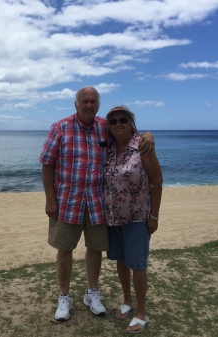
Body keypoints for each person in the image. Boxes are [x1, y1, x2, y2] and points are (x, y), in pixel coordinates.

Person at [39, 87, 155, 322]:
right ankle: (64, 296)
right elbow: (47, 164)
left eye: (93, 101)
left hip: (97, 202)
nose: (89, 105)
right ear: (76, 104)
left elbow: (129, 136)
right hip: (66, 202)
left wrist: (148, 135)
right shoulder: (60, 128)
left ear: (98, 105)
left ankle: (92, 293)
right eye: (85, 101)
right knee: (65, 250)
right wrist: (50, 200)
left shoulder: (105, 127)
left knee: (95, 249)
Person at [104, 105, 163, 333]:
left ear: (131, 123)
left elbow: (157, 182)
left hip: (138, 217)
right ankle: (127, 301)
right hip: (113, 217)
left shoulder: (142, 147)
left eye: (123, 120)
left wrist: (154, 216)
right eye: (113, 121)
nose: (118, 124)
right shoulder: (108, 149)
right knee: (121, 260)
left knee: (137, 265)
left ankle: (141, 313)